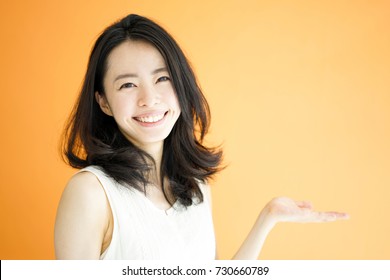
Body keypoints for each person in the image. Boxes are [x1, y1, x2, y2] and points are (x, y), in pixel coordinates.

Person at [54, 14, 349, 260]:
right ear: (103, 102)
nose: (149, 99)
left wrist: (267, 219)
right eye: (128, 84)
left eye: (162, 78)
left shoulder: (195, 185)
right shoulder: (91, 193)